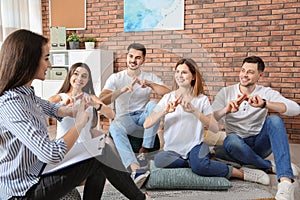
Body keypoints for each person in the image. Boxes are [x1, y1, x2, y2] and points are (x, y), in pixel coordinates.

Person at [0, 29, 151, 200]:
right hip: (23, 191)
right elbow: (51, 153)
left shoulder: (26, 94)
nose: (49, 65)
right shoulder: (12, 104)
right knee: (99, 156)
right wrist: (79, 123)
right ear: (28, 61)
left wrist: (69, 110)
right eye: (46, 58)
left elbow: (51, 108)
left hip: (38, 169)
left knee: (102, 148)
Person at [144, 58, 270, 186]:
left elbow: (215, 128)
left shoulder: (201, 99)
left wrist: (194, 111)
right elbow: (147, 124)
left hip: (195, 146)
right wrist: (164, 111)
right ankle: (198, 162)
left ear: (193, 76)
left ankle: (241, 173)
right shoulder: (167, 98)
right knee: (159, 160)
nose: (179, 76)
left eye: (184, 72)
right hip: (173, 151)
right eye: (177, 72)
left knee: (200, 167)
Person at [212, 56, 300, 200]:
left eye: (250, 72)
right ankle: (268, 165)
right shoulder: (226, 92)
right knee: (231, 140)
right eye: (243, 70)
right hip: (236, 144)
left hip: (259, 144)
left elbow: (295, 109)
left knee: (274, 120)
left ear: (260, 75)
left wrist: (265, 104)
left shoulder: (265, 92)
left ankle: (285, 182)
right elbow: (210, 119)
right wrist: (226, 110)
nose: (244, 75)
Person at [99, 43, 170, 187]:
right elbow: (102, 99)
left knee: (153, 105)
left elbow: (168, 93)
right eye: (131, 56)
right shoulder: (116, 78)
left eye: (138, 58)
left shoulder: (148, 76)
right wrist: (121, 90)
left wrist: (150, 84)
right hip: (125, 118)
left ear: (143, 60)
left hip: (144, 117)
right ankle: (135, 168)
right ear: (127, 57)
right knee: (115, 127)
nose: (133, 60)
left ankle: (145, 148)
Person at [48, 62, 115, 143]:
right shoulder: (59, 97)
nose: (79, 78)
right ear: (70, 76)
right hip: (64, 147)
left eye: (84, 76)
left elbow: (111, 115)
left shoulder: (91, 98)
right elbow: (41, 110)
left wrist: (96, 105)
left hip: (86, 145)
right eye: (76, 74)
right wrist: (62, 105)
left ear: (88, 80)